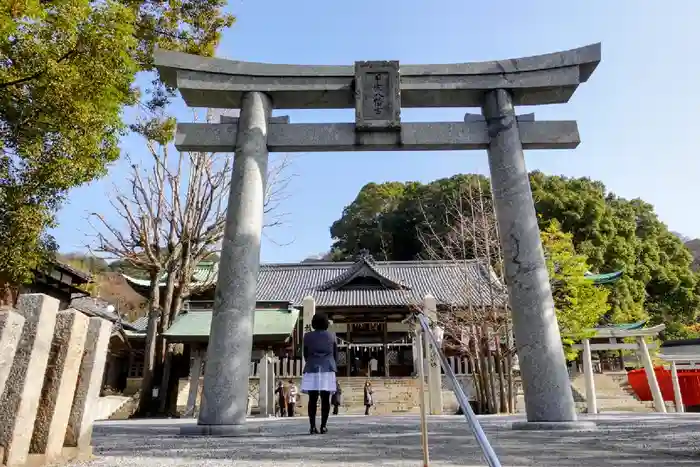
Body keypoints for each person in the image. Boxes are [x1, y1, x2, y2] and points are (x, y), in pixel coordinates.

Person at [301, 312, 338, 434]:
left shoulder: (307, 336)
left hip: (312, 366)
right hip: (327, 367)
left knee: (312, 398)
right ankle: (323, 426)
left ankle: (312, 426)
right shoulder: (332, 336)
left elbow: (305, 353)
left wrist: (311, 360)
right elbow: (335, 354)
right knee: (325, 398)